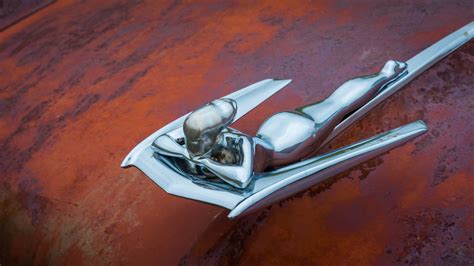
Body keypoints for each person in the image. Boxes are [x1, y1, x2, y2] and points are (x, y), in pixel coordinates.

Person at [153, 60, 407, 188]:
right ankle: (385, 73)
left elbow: (241, 178)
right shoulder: (200, 137)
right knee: (331, 101)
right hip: (275, 127)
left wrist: (197, 159)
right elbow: (160, 142)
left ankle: (387, 74)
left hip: (294, 140)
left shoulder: (237, 142)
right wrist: (192, 154)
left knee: (338, 104)